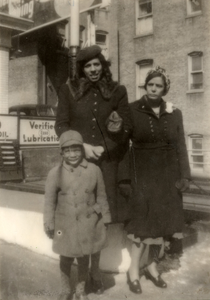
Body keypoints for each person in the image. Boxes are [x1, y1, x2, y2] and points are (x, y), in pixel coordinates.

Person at [55, 45, 132, 293]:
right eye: (88, 66)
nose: (93, 70)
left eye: (97, 64)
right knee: (75, 215)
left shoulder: (118, 91)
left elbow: (126, 125)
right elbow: (61, 124)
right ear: (82, 68)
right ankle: (75, 278)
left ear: (103, 65)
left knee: (99, 218)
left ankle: (95, 272)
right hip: (77, 162)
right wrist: (82, 146)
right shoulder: (69, 90)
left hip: (106, 165)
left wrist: (105, 145)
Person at [126, 66, 191, 294]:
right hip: (143, 175)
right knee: (143, 227)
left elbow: (181, 145)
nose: (154, 89)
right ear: (146, 85)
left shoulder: (175, 113)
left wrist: (185, 175)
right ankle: (133, 270)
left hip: (168, 175)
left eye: (159, 86)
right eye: (151, 84)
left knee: (163, 226)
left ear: (165, 89)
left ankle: (152, 268)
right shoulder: (132, 110)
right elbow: (123, 143)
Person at [43, 130, 111, 300]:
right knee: (65, 257)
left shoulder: (94, 170)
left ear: (82, 150)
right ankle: (66, 289)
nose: (72, 155)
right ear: (61, 153)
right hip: (63, 225)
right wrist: (49, 223)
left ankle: (80, 290)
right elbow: (49, 202)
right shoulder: (55, 173)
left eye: (76, 150)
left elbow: (102, 196)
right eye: (67, 151)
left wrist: (106, 217)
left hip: (88, 222)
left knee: (83, 257)